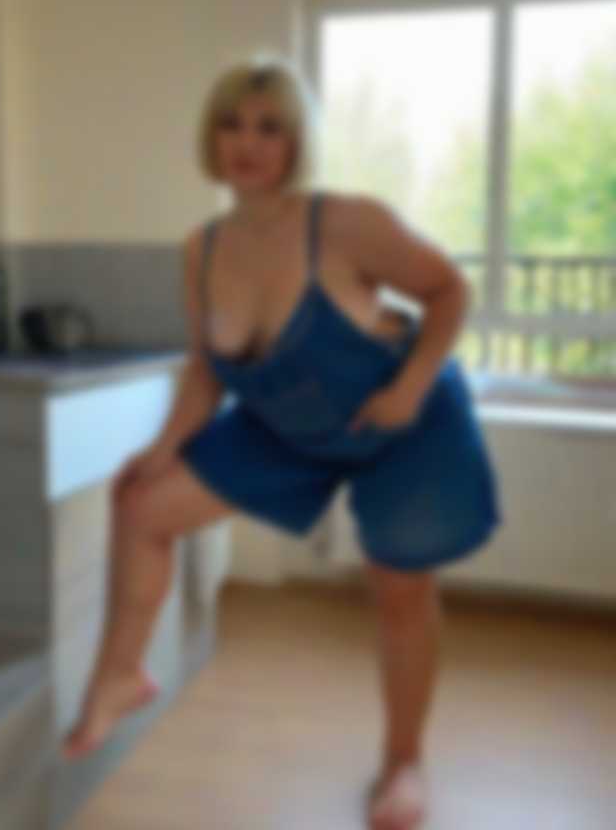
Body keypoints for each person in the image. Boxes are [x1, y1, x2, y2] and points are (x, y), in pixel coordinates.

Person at [62, 54, 502, 829]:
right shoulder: (200, 250)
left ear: (297, 141)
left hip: (404, 422)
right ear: (211, 137)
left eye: (270, 127)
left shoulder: (347, 222)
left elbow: (449, 290)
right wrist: (161, 450)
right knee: (141, 503)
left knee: (399, 589)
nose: (248, 143)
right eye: (232, 124)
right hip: (290, 426)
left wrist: (408, 388)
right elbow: (209, 370)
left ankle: (404, 763)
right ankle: (120, 676)